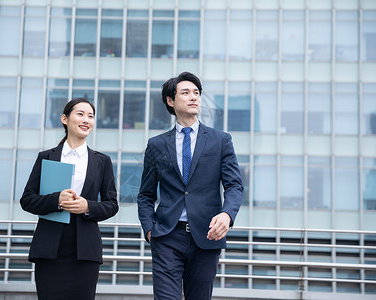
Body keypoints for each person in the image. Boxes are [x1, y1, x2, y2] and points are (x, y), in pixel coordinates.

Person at [137, 72, 243, 300]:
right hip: (166, 236)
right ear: (170, 101)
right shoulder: (156, 144)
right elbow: (145, 194)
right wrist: (149, 230)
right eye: (185, 92)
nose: (193, 97)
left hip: (207, 235)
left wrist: (227, 215)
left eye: (196, 93)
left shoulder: (220, 140)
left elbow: (234, 185)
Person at [20, 98, 118, 300]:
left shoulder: (102, 161)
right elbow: (27, 199)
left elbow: (112, 204)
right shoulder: (46, 157)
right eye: (80, 114)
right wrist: (56, 200)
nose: (86, 120)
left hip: (85, 251)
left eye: (90, 116)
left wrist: (87, 206)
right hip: (49, 249)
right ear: (65, 119)